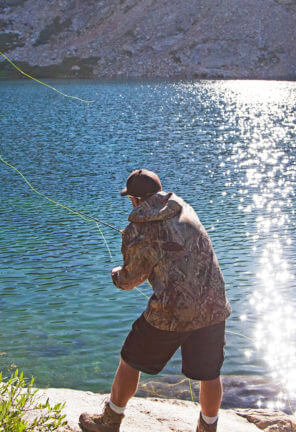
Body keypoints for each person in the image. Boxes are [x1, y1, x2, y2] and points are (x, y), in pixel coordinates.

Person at [79, 169, 232, 432]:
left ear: (135, 200)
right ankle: (208, 427)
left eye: (131, 199)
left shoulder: (139, 230)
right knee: (209, 373)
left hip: (171, 312)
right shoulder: (184, 207)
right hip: (213, 305)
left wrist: (117, 274)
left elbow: (129, 280)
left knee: (130, 359)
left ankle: (110, 421)